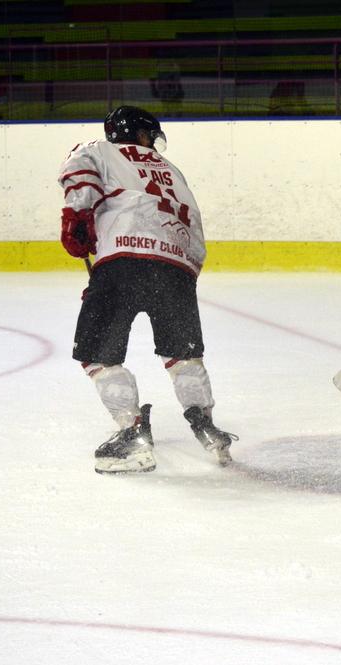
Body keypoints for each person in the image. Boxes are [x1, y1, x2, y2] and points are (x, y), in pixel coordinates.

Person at [57, 105, 235, 474]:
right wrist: (184, 275)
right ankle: (206, 426)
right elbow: (195, 228)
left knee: (97, 354)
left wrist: (77, 217)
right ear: (140, 133)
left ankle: (132, 434)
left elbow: (78, 171)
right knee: (183, 354)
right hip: (177, 268)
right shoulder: (172, 170)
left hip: (122, 262)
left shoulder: (99, 150)